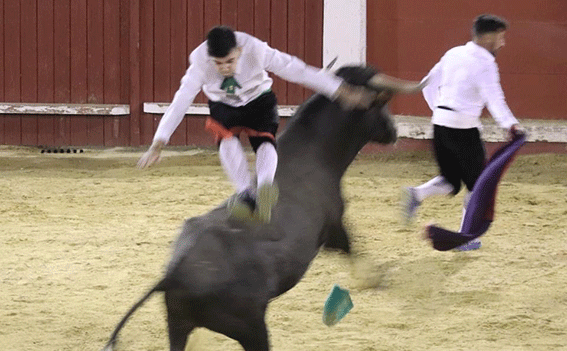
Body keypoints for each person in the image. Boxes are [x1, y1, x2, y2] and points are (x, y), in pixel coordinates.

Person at [138, 25, 376, 223]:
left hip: (259, 99)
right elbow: (182, 99)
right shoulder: (199, 61)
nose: (224, 68)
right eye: (218, 63)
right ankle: (246, 195)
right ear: (210, 58)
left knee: (264, 140)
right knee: (224, 138)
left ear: (240, 50)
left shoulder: (256, 49)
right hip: (223, 104)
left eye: (230, 61)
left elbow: (297, 70)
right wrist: (159, 141)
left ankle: (264, 190)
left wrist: (340, 90)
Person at [401, 14, 524, 251]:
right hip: (464, 129)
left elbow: (428, 83)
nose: (503, 43)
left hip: (440, 125)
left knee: (451, 179)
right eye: (500, 37)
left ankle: (416, 194)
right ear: (488, 37)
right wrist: (511, 125)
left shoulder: (453, 53)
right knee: (478, 187)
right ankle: (463, 237)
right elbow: (495, 100)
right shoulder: (486, 63)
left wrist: (439, 111)